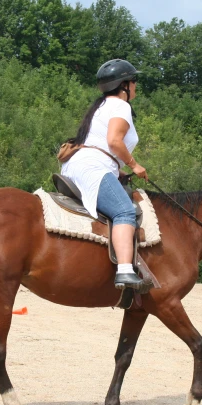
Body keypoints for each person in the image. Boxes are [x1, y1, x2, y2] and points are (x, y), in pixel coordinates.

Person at [61, 59, 148, 290]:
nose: (136, 86)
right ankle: (125, 271)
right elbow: (113, 141)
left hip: (78, 165)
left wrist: (117, 169)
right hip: (92, 168)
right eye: (134, 81)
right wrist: (134, 165)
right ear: (124, 85)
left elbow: (101, 146)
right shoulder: (121, 106)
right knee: (124, 211)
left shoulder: (100, 107)